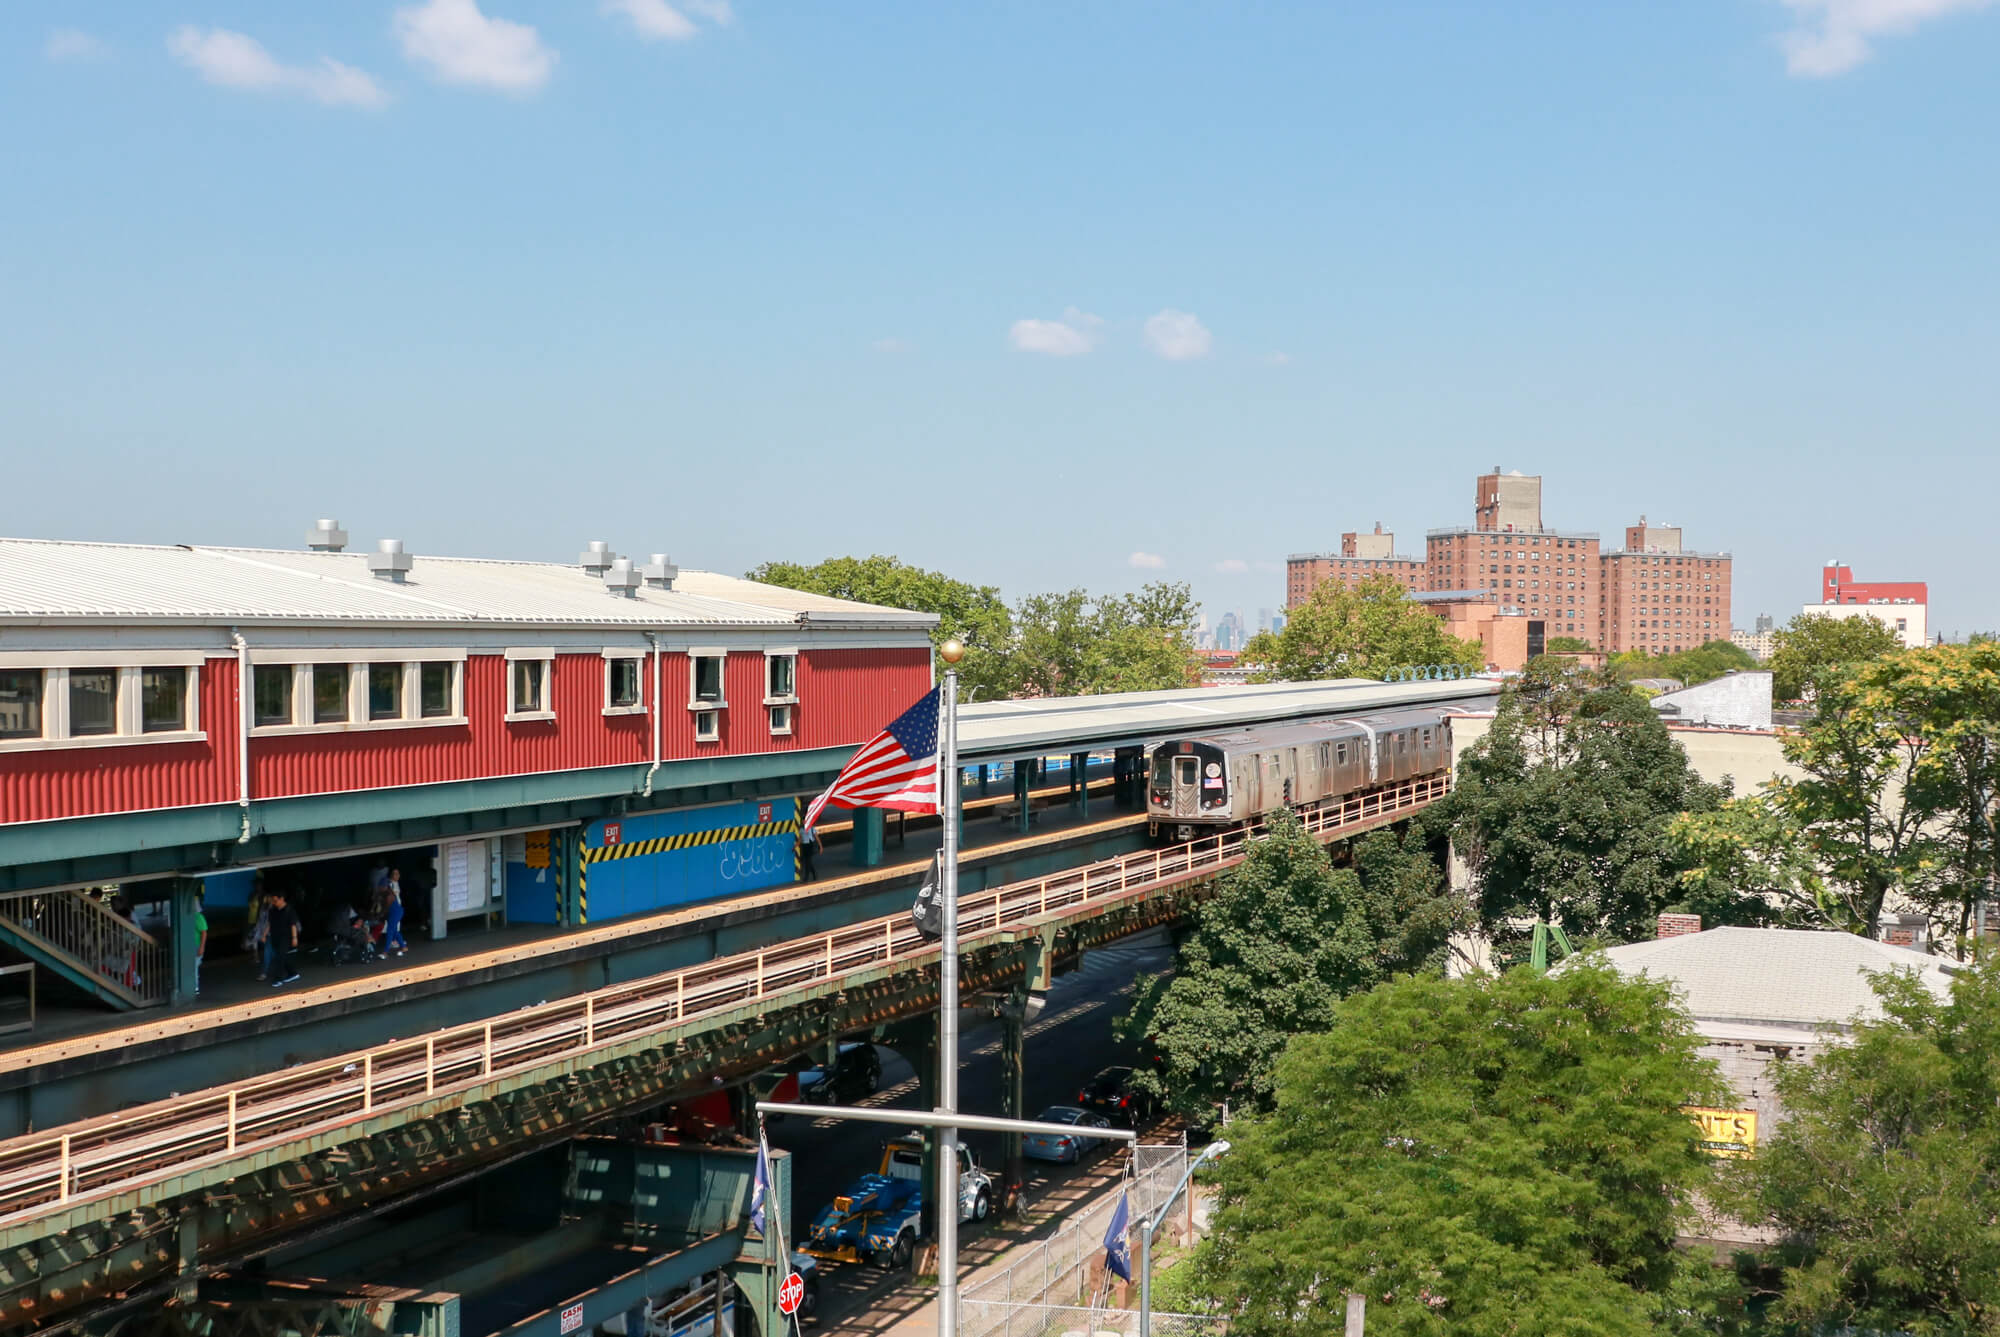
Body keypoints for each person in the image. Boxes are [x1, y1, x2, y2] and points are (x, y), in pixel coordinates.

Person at [267, 890, 301, 987]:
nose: (274, 903)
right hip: (275, 936)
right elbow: (270, 923)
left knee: (280, 957)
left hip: (286, 937)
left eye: (275, 900)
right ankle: (293, 973)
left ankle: (278, 979)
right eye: (273, 901)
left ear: (282, 899)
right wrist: (264, 934)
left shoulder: (289, 910)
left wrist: (294, 938)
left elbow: (293, 925)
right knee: (281, 956)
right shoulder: (273, 910)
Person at [384, 868, 407, 957]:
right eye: (395, 874)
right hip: (393, 909)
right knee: (392, 928)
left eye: (398, 874)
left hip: (397, 908)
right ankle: (395, 943)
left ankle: (397, 942)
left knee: (395, 927)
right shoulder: (390, 884)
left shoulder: (396, 883)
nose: (397, 876)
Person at [191, 893, 207, 997]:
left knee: (194, 968)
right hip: (190, 946)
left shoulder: (199, 917)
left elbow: (204, 932)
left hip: (196, 946)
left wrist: (201, 947)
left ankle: (195, 987)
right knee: (193, 967)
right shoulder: (190, 916)